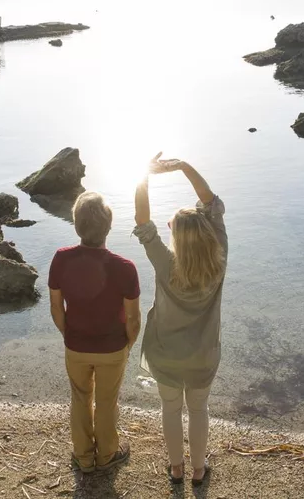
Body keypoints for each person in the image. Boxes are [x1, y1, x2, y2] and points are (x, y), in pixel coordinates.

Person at [133, 154, 228, 487]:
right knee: (199, 409)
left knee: (170, 409)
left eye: (172, 225)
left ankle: (176, 469)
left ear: (174, 235)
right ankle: (199, 471)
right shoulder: (220, 257)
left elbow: (142, 221)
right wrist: (183, 166)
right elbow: (210, 202)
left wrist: (143, 175)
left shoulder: (165, 263)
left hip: (166, 354)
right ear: (207, 233)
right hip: (203, 355)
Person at [48, 191, 141, 474]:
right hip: (113, 348)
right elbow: (134, 318)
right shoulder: (125, 267)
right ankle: (107, 455)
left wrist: (69, 335)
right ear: (109, 227)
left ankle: (84, 457)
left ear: (76, 225)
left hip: (76, 345)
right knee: (106, 401)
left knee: (80, 397)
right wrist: (128, 345)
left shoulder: (61, 259)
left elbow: (56, 308)